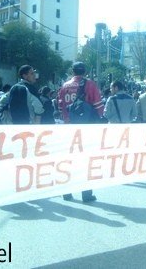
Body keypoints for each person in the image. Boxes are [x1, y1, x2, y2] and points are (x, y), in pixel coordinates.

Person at [58, 61, 103, 202]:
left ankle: (66, 192)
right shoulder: (90, 84)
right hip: (87, 129)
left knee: (69, 161)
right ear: (85, 71)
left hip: (68, 128)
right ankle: (86, 194)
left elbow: (60, 107)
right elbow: (98, 106)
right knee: (86, 161)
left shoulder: (65, 86)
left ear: (73, 71)